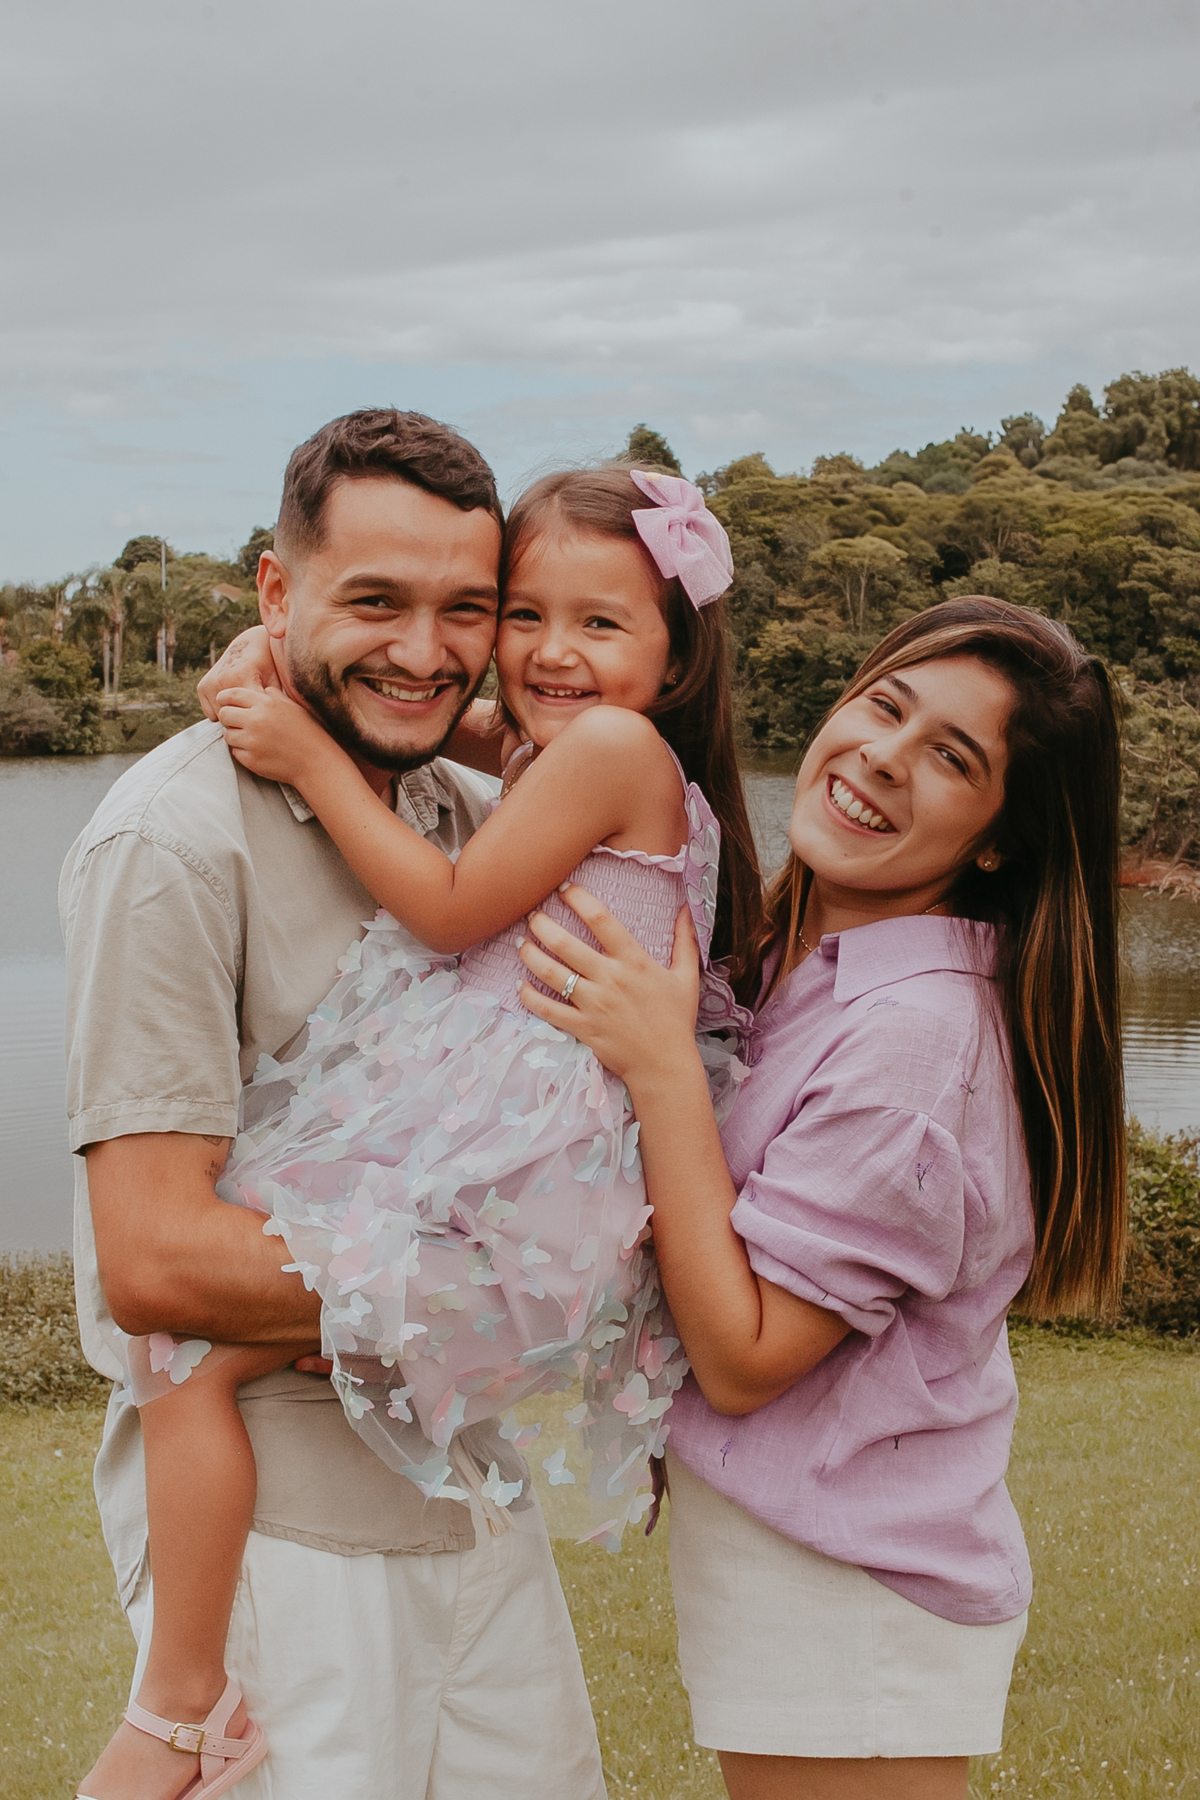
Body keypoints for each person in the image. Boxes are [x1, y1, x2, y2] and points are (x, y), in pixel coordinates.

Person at [72, 454, 764, 1800]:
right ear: (279, 590)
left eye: (467, 606)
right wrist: (465, 1288)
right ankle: (175, 1713)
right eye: (376, 599)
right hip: (300, 1535)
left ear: (672, 654)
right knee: (184, 1364)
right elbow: (152, 1267)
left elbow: (453, 905)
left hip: (461, 1503)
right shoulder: (173, 844)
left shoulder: (470, 797)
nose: (449, 648)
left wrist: (462, 1293)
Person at [516, 597, 1126, 1800]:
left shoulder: (915, 1044)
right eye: (885, 707)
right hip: (802, 1558)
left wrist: (660, 1071)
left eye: (953, 759)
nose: (883, 761)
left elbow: (746, 1357)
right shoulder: (813, 969)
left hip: (851, 1588)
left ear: (999, 837)